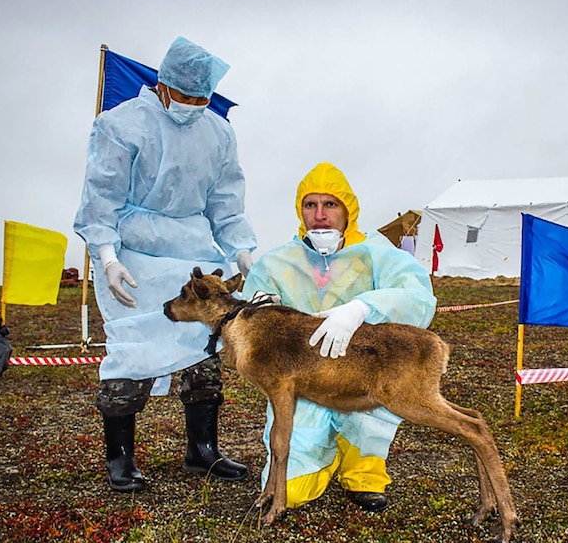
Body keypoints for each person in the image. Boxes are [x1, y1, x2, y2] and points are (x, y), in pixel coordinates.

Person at [74, 36, 257, 493]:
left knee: (204, 350)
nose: (195, 105)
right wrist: (108, 257)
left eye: (203, 97)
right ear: (162, 85)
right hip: (133, 258)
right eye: (187, 96)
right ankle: (121, 459)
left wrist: (241, 247)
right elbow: (102, 201)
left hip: (194, 255)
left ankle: (203, 450)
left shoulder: (218, 133)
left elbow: (226, 203)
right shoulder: (120, 125)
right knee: (132, 350)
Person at [241, 162, 436, 512]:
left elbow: (419, 297)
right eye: (310, 205)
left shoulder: (377, 252)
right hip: (304, 387)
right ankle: (321, 455)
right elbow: (252, 312)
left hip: (364, 376)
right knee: (292, 490)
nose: (319, 215)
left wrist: (363, 308)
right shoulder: (277, 263)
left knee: (369, 419)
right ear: (300, 211)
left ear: (348, 209)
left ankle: (362, 470)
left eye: (330, 204)